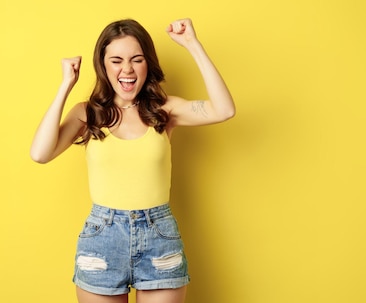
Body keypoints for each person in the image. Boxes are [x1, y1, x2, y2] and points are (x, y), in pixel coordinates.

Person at [30, 18, 235, 303]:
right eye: (116, 60)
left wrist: (192, 44)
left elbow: (223, 110)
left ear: (147, 64)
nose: (126, 69)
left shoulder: (164, 109)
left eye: (136, 60)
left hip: (159, 238)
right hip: (102, 239)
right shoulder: (87, 113)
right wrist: (65, 85)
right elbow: (40, 154)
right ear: (103, 66)